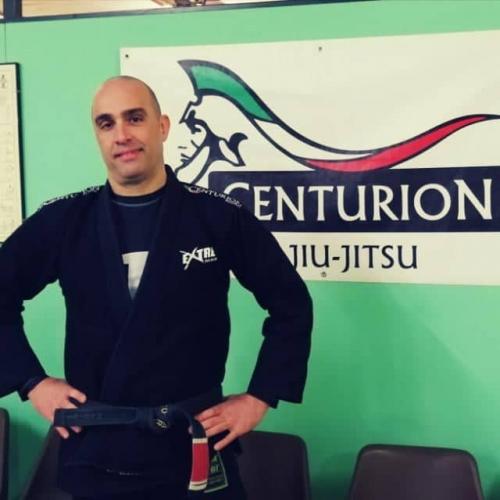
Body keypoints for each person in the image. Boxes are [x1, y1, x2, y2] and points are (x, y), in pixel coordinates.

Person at [0, 76, 313, 500]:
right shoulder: (65, 221)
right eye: (107, 123)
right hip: (98, 446)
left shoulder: (217, 216)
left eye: (134, 118)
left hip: (191, 441)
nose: (122, 134)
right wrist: (31, 382)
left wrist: (261, 395)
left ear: (162, 126)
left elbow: (291, 303)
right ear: (97, 136)